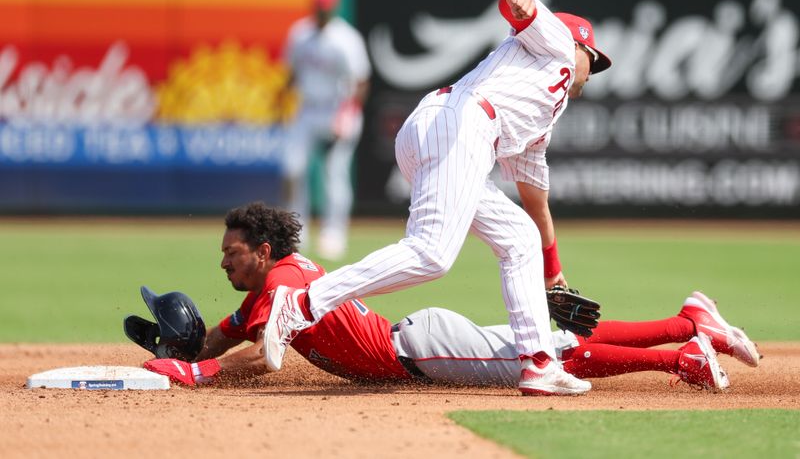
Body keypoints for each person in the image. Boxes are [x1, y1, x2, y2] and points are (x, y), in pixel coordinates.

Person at [263, 0, 613, 396]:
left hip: (443, 129)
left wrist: (552, 272)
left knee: (520, 239)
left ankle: (538, 364)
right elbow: (522, 10)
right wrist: (522, 5)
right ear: (576, 46)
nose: (595, 68)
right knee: (431, 253)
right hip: (462, 124)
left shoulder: (541, 114)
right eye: (594, 57)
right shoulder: (557, 47)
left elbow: (535, 200)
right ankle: (302, 304)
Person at [142, 202, 760, 393]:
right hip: (417, 340)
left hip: (420, 352)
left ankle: (681, 352)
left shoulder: (280, 287)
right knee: (552, 343)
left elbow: (255, 354)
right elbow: (234, 332)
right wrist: (193, 343)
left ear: (264, 252)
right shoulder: (277, 285)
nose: (223, 261)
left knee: (545, 358)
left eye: (232, 253)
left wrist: (195, 371)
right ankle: (687, 322)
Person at [280, 0, 371, 261]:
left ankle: (334, 232)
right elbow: (292, 72)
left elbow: (361, 81)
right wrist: (280, 98)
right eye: (318, 7)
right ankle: (297, 229)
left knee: (334, 174)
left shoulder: (346, 39)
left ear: (333, 9)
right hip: (308, 111)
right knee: (291, 168)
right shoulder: (300, 34)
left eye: (325, 8)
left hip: (337, 111)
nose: (321, 12)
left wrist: (349, 113)